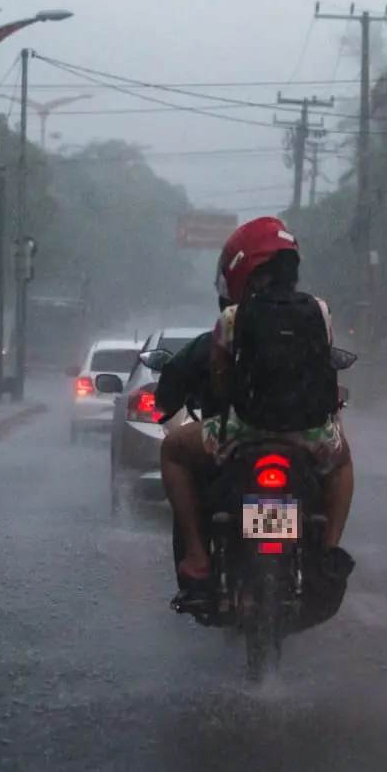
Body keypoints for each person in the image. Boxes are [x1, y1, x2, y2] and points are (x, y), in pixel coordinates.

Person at [159, 216, 354, 586]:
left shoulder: (232, 317)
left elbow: (218, 379)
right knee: (343, 464)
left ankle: (198, 554)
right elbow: (324, 367)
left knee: (172, 450)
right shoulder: (321, 310)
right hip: (308, 435)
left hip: (243, 431)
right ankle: (329, 551)